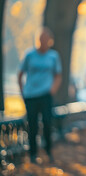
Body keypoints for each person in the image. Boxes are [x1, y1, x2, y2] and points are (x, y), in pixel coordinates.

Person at [17, 27, 62, 163]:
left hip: (46, 95)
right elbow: (20, 74)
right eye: (41, 39)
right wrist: (22, 91)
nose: (43, 42)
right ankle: (33, 154)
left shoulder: (53, 56)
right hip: (31, 95)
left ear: (50, 41)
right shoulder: (29, 55)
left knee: (47, 123)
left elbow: (58, 75)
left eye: (45, 39)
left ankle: (48, 151)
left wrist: (52, 89)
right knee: (32, 125)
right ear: (37, 40)